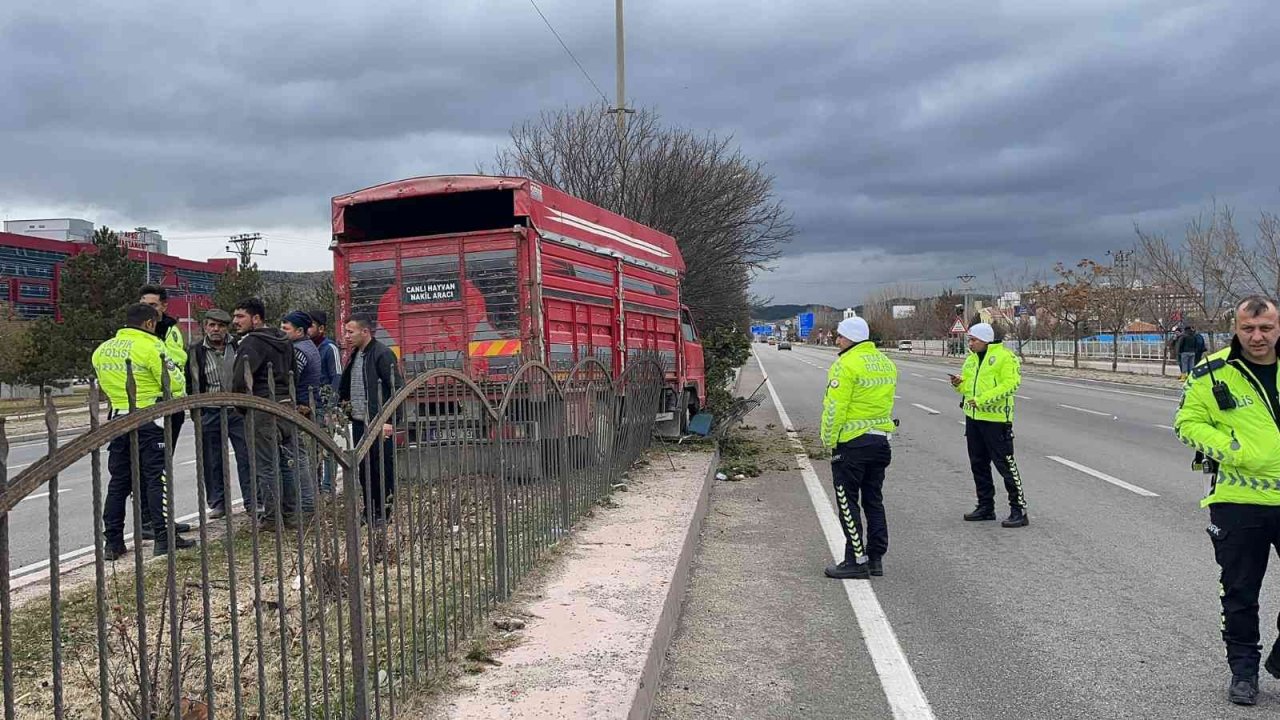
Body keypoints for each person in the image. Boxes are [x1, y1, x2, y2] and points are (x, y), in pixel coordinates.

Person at [1175, 295, 1280, 706]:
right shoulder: (1212, 371)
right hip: (1239, 500)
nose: (1257, 336)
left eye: (1266, 328)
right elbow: (1185, 422)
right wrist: (1230, 447)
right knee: (1240, 592)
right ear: (1235, 327)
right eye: (1248, 328)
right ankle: (1244, 672)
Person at [92, 303, 195, 559]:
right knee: (155, 477)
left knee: (119, 482)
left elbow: (105, 385)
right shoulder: (152, 346)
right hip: (150, 418)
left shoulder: (102, 350)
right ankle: (163, 537)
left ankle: (112, 542)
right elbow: (175, 383)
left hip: (119, 417)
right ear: (149, 323)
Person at [820, 316, 897, 580]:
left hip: (852, 444)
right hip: (880, 442)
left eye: (840, 336)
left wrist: (829, 439)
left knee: (847, 501)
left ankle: (855, 560)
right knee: (873, 500)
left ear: (851, 338)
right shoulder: (885, 363)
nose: (837, 340)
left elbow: (834, 407)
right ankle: (876, 559)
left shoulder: (845, 365)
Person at [231, 297, 304, 528]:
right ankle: (291, 514)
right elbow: (295, 374)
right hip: (286, 405)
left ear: (256, 318)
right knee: (287, 463)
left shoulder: (251, 343)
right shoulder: (284, 340)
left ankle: (272, 518)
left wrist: (243, 407)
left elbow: (240, 380)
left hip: (263, 407)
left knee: (266, 466)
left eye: (240, 316)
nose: (235, 321)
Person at [951, 322, 1028, 528]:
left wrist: (984, 399)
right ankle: (986, 506)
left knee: (1006, 465)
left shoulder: (1005, 357)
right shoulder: (970, 360)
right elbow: (968, 387)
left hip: (996, 421)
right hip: (973, 419)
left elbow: (1011, 384)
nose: (971, 344)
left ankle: (1018, 509)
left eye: (974, 340)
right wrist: (959, 384)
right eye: (970, 340)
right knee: (978, 464)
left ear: (986, 340)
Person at [186, 308, 252, 519]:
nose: (216, 330)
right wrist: (197, 410)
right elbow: (191, 381)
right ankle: (218, 503)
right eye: (212, 325)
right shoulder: (196, 351)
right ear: (205, 327)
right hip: (210, 410)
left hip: (237, 410)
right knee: (212, 459)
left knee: (246, 455)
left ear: (227, 328)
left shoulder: (239, 346)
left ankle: (253, 500)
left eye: (221, 326)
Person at [138, 284, 190, 539]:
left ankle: (162, 519)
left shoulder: (170, 329)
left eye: (153, 305)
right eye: (144, 304)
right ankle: (149, 520)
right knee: (144, 467)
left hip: (169, 403)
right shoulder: (133, 328)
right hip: (143, 404)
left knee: (161, 464)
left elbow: (176, 361)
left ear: (163, 306)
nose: (149, 310)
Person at [340, 315, 402, 525]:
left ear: (365, 332)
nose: (346, 336)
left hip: (378, 421)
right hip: (360, 422)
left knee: (381, 467)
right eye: (346, 332)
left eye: (350, 332)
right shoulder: (356, 355)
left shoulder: (382, 354)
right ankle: (369, 510)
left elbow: (397, 390)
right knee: (364, 468)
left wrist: (389, 420)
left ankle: (384, 512)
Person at [309, 310, 343, 494]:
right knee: (311, 449)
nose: (307, 329)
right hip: (309, 407)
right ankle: (315, 488)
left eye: (310, 326)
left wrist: (331, 407)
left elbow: (337, 376)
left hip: (324, 407)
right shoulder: (306, 348)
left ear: (321, 328)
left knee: (327, 448)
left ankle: (329, 487)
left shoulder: (329, 348)